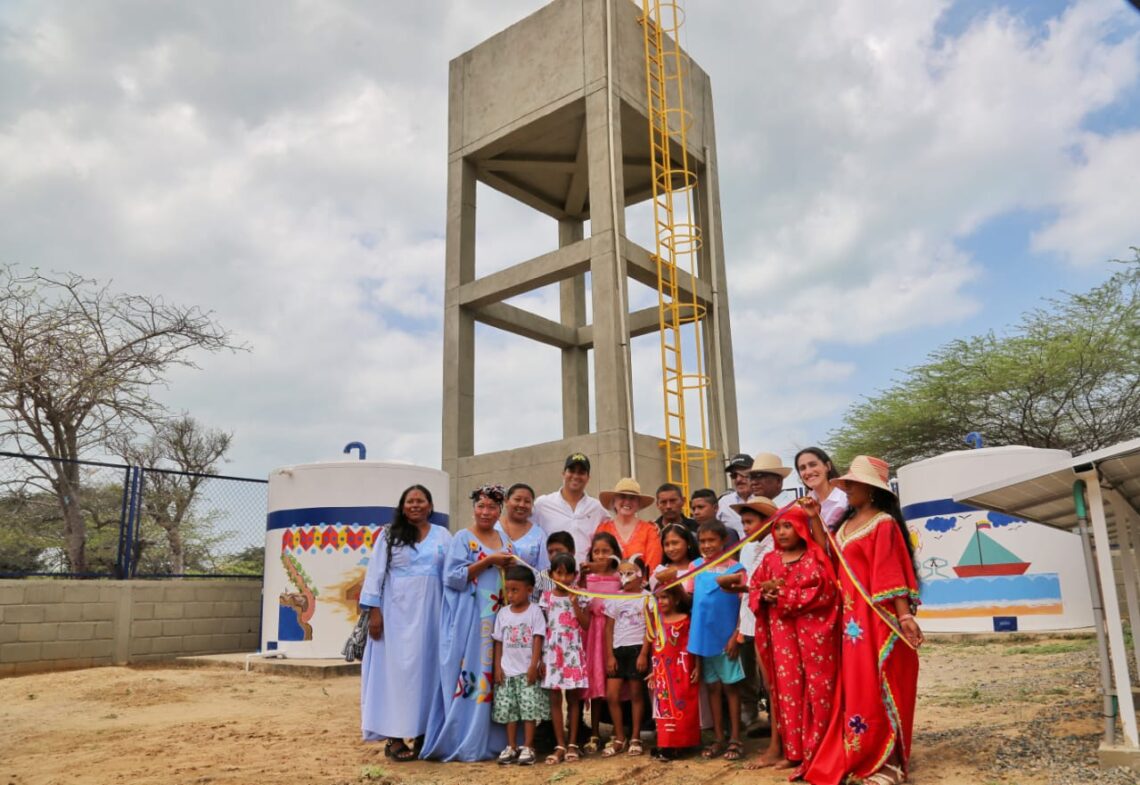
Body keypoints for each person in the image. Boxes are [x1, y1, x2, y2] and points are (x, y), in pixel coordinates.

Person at [803, 456, 923, 785]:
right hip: (849, 620)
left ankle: (888, 762)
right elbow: (826, 554)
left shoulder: (883, 523)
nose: (847, 488)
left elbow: (891, 570)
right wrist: (815, 518)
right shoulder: (845, 524)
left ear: (870, 490)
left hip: (874, 618)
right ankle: (860, 752)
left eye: (853, 484)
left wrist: (904, 615)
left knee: (877, 683)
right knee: (856, 687)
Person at [421, 484, 515, 762]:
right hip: (473, 618)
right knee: (474, 673)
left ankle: (499, 739)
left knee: (500, 674)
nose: (486, 512)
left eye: (492, 507)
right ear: (474, 508)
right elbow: (451, 576)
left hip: (500, 617)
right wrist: (489, 561)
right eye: (481, 506)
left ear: (500, 510)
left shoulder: (505, 539)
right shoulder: (462, 538)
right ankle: (466, 738)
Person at [359, 484, 451, 761]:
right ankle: (395, 739)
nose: (415, 505)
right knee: (397, 676)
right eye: (410, 501)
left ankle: (425, 734)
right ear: (402, 506)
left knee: (429, 674)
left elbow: (453, 571)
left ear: (430, 506)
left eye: (421, 501)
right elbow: (375, 574)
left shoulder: (443, 536)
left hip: (433, 616)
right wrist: (374, 613)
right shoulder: (389, 535)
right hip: (395, 618)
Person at [749, 504, 840, 777]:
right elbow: (755, 588)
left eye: (787, 526)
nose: (782, 532)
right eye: (777, 527)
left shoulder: (815, 556)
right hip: (781, 638)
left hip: (813, 638)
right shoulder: (770, 560)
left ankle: (816, 752)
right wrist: (764, 597)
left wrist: (786, 597)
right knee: (787, 691)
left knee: (817, 691)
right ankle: (793, 752)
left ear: (801, 528)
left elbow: (825, 592)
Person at [688, 519, 746, 761]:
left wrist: (736, 636)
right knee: (712, 687)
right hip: (703, 639)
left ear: (724, 541)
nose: (707, 545)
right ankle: (719, 737)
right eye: (702, 541)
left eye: (712, 540)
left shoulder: (736, 569)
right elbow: (690, 601)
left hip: (726, 639)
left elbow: (744, 606)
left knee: (731, 688)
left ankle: (735, 738)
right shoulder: (695, 567)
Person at [730, 494, 778, 738]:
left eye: (750, 522)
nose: (746, 528)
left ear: (768, 521)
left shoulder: (774, 546)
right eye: (744, 523)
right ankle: (773, 726)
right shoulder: (751, 547)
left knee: (772, 677)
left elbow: (768, 585)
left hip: (767, 620)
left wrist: (745, 588)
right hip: (751, 619)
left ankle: (778, 728)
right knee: (762, 675)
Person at [493, 565, 548, 766]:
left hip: (526, 672)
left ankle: (528, 746)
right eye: (508, 590)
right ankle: (511, 746)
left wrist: (534, 665)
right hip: (507, 671)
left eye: (515, 590)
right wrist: (498, 667)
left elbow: (537, 639)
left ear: (529, 590)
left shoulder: (535, 612)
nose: (510, 594)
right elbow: (498, 641)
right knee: (510, 711)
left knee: (529, 710)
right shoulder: (503, 614)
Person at [539, 552, 591, 764]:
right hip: (552, 652)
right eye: (559, 573)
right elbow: (543, 628)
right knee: (554, 698)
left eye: (568, 574)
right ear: (551, 574)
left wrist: (575, 603)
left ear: (575, 575)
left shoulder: (579, 594)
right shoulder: (546, 597)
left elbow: (586, 624)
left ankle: (572, 743)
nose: (564, 578)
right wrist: (541, 659)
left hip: (573, 652)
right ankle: (560, 744)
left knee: (573, 698)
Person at [602, 557, 652, 757]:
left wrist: (643, 654)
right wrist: (609, 656)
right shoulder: (615, 598)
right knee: (612, 695)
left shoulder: (647, 598)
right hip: (618, 651)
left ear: (641, 576)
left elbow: (650, 627)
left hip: (637, 650)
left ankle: (636, 737)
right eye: (621, 573)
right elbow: (609, 628)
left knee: (636, 695)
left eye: (630, 573)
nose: (625, 578)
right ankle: (620, 737)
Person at [579, 530, 622, 752]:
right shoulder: (587, 579)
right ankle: (594, 733)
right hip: (593, 636)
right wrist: (582, 576)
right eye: (596, 551)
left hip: (615, 634)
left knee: (616, 683)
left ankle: (617, 731)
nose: (601, 556)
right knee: (596, 681)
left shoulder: (620, 579)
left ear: (615, 553)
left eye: (606, 551)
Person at [649, 584, 701, 761]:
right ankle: (666, 744)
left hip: (682, 668)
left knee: (683, 705)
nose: (661, 601)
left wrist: (698, 666)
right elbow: (655, 646)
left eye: (665, 597)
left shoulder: (686, 620)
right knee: (664, 708)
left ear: (676, 599)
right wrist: (653, 670)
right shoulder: (657, 620)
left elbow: (694, 645)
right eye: (659, 598)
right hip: (662, 671)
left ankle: (683, 743)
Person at [532, 453, 607, 565]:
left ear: (588, 478)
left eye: (581, 472)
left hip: (584, 578)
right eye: (571, 471)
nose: (576, 476)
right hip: (550, 576)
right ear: (563, 473)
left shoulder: (598, 509)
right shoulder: (542, 504)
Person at [596, 478, 664, 573]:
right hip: (608, 586)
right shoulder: (602, 529)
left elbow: (652, 568)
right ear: (614, 501)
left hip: (642, 587)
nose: (627, 501)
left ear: (638, 503)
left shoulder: (650, 530)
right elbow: (596, 562)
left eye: (632, 498)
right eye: (622, 496)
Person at [794, 447, 848, 533]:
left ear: (827, 466)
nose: (808, 472)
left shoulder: (845, 500)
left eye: (813, 465)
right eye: (802, 468)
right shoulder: (803, 503)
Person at [497, 483, 549, 571]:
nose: (522, 505)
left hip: (527, 584)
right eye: (517, 499)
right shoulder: (492, 526)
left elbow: (544, 571)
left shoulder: (539, 535)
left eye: (527, 501)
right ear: (506, 501)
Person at [650, 522, 699, 596]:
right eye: (666, 544)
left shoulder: (700, 567)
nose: (671, 549)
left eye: (675, 543)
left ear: (688, 542)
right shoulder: (659, 571)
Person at [716, 453, 753, 544]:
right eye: (734, 475)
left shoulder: (764, 500)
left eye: (743, 474)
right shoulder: (723, 503)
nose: (738, 479)